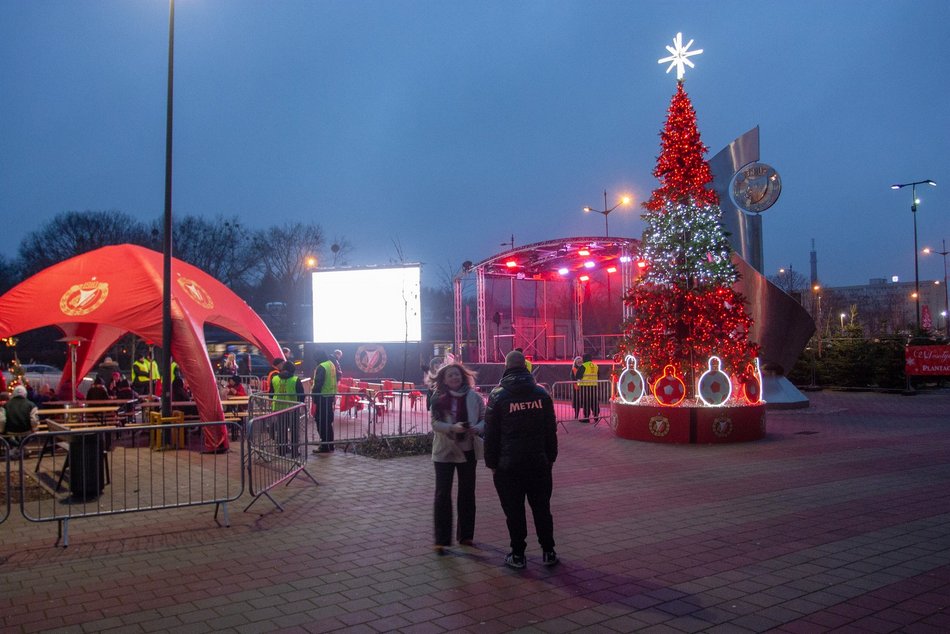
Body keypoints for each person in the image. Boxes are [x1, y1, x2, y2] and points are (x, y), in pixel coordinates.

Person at [484, 350, 558, 569]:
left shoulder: (497, 396)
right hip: (539, 463)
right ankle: (549, 552)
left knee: (514, 511)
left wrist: (492, 463)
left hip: (508, 466)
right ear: (525, 367)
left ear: (506, 367)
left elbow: (491, 434)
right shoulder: (542, 394)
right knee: (542, 508)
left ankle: (517, 555)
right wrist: (551, 457)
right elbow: (550, 429)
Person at [429, 362, 485, 551]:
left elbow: (485, 418)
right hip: (445, 451)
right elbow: (435, 424)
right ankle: (441, 539)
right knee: (442, 493)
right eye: (450, 375)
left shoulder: (475, 397)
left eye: (457, 374)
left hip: (468, 450)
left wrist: (477, 428)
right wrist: (453, 428)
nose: (455, 377)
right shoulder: (438, 398)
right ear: (444, 380)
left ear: (463, 377)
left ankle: (466, 536)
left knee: (467, 492)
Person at [269, 361, 304, 457]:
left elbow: (271, 394)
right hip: (293, 408)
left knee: (281, 429)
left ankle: (282, 450)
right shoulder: (295, 380)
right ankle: (294, 451)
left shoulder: (275, 378)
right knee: (294, 430)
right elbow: (301, 395)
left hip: (278, 408)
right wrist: (301, 405)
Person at [311, 349, 338, 453]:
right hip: (329, 397)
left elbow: (318, 383)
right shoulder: (331, 364)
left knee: (321, 422)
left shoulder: (322, 366)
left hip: (322, 398)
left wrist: (313, 396)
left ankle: (324, 446)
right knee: (328, 422)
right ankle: (330, 445)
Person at [1, 385, 40, 453]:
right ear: (25, 394)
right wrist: (34, 429)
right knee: (33, 432)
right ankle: (21, 448)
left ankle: (17, 448)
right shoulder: (31, 405)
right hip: (26, 431)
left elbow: (2, 420)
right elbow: (34, 420)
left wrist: (1, 430)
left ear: (13, 394)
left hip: (10, 431)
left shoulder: (5, 405)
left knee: (5, 435)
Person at [577, 353, 600, 423]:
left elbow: (578, 376)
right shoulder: (596, 366)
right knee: (594, 401)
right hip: (594, 386)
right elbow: (598, 375)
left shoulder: (583, 366)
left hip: (585, 387)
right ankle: (596, 416)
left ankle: (586, 417)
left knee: (586, 402)